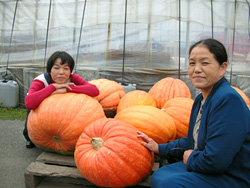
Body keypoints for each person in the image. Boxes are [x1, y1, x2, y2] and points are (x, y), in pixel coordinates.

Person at [138, 38, 250, 188]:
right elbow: (192, 141)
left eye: (205, 63)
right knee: (160, 175)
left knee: (167, 182)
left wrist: (190, 157)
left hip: (231, 175)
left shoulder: (228, 100)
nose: (197, 69)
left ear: (222, 68)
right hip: (209, 167)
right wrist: (159, 147)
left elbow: (216, 161)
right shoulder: (201, 99)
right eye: (192, 63)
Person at [23, 51, 100, 148]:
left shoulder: (72, 77)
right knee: (31, 112)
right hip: (41, 108)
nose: (61, 72)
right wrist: (53, 87)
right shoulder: (41, 80)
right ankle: (28, 136)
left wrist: (67, 88)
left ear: (70, 71)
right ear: (50, 70)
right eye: (56, 68)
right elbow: (29, 103)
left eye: (66, 68)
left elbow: (94, 90)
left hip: (59, 110)